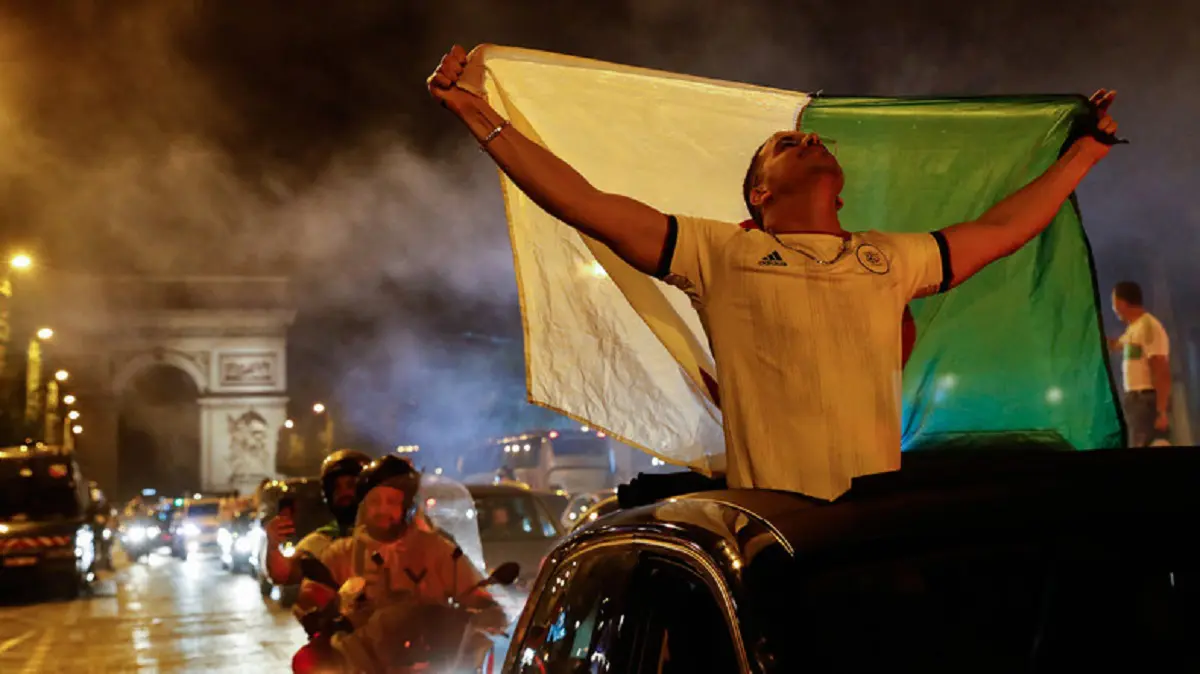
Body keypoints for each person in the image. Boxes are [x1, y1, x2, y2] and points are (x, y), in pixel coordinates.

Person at [428, 44, 1121, 500]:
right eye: (789, 142)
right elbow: (581, 201)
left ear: (840, 191)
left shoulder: (888, 258)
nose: (810, 136)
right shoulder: (718, 255)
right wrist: (476, 113)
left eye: (813, 138)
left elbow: (1002, 230)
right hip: (776, 533)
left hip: (872, 531)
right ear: (760, 194)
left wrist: (1084, 154)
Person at [305, 456, 506, 653]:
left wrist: (488, 610)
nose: (383, 509)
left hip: (429, 655)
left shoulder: (437, 550)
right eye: (375, 501)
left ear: (408, 507)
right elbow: (311, 599)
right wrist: (320, 613)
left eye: (392, 502)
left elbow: (473, 591)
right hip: (363, 660)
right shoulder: (342, 553)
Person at [265, 449, 372, 589]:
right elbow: (282, 573)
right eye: (336, 487)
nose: (344, 493)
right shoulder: (322, 540)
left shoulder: (392, 534)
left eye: (351, 485)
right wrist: (273, 545)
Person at [1108, 281, 1171, 446]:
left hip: (1145, 400)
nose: (1113, 308)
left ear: (1121, 303)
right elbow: (1115, 345)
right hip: (1135, 400)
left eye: (1113, 302)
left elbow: (1161, 369)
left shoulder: (1148, 326)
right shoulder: (1133, 329)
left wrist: (1161, 411)